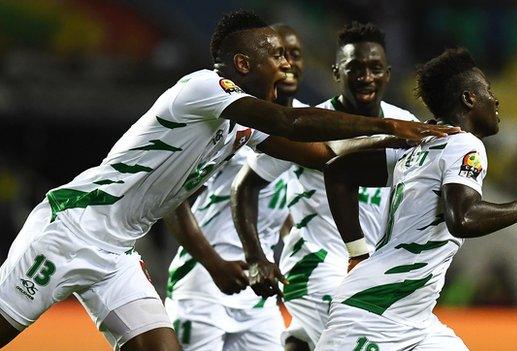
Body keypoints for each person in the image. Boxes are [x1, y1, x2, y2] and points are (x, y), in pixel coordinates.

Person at [0, 11, 457, 351]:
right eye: (274, 55)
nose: (285, 65)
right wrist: (392, 128)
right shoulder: (201, 89)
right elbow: (292, 123)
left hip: (116, 251)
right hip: (72, 229)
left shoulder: (245, 123)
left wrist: (418, 157)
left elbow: (324, 156)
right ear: (241, 64)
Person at [315, 48, 517, 350]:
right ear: (469, 99)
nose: (495, 99)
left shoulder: (420, 146)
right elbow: (462, 218)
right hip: (374, 311)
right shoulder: (464, 144)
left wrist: (357, 251)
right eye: (487, 89)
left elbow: (339, 172)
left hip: (415, 318)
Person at [231, 22, 418, 350]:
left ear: (388, 73)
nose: (365, 78)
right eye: (354, 69)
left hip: (368, 269)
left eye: (375, 68)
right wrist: (256, 257)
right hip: (315, 265)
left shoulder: (406, 123)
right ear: (336, 72)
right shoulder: (310, 123)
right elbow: (245, 186)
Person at [164, 23, 306, 350]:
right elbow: (171, 196)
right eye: (277, 54)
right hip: (206, 281)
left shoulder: (311, 122)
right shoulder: (230, 116)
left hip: (259, 289)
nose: (287, 63)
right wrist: (212, 262)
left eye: (294, 54)